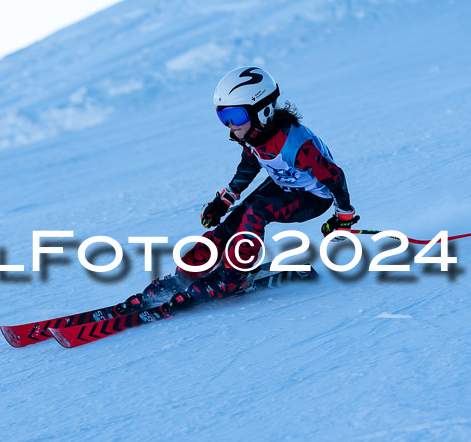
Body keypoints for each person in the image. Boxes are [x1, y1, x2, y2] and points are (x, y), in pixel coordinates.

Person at [143, 66, 358, 304]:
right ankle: (186, 275)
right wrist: (224, 201)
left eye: (235, 117)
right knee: (238, 217)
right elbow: (248, 167)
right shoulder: (253, 135)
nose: (230, 126)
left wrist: (343, 218)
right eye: (223, 117)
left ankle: (234, 276)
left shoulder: (297, 145)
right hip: (283, 182)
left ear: (263, 112)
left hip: (313, 196)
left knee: (258, 212)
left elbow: (335, 178)